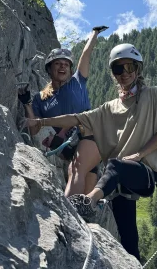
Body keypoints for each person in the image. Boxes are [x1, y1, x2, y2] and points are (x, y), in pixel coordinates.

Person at [23, 43, 157, 260]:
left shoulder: (153, 95)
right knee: (128, 237)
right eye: (118, 69)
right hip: (121, 181)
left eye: (129, 67)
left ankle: (89, 201)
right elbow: (77, 118)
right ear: (113, 74)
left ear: (138, 69)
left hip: (146, 170)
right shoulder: (110, 107)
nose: (124, 73)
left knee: (115, 165)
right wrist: (41, 121)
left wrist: (140, 154)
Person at [18, 26, 107, 195]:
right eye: (58, 64)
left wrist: (94, 33)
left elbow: (85, 55)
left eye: (66, 64)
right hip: (69, 147)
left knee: (77, 170)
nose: (63, 67)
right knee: (85, 198)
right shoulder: (41, 99)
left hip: (90, 135)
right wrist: (27, 104)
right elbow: (34, 128)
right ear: (49, 69)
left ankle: (68, 217)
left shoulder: (77, 82)